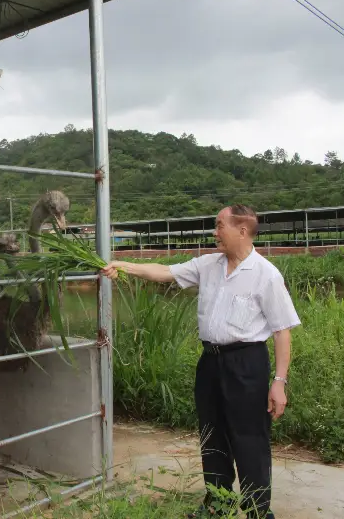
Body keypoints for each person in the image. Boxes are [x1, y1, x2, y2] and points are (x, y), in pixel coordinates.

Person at [101, 204, 300, 519]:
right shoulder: (208, 265)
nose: (214, 232)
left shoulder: (266, 275)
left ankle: (258, 511)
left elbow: (282, 331)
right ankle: (218, 505)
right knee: (212, 434)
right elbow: (166, 273)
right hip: (210, 363)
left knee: (250, 439)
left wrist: (279, 382)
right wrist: (123, 266)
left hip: (247, 364)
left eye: (220, 225)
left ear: (243, 230)